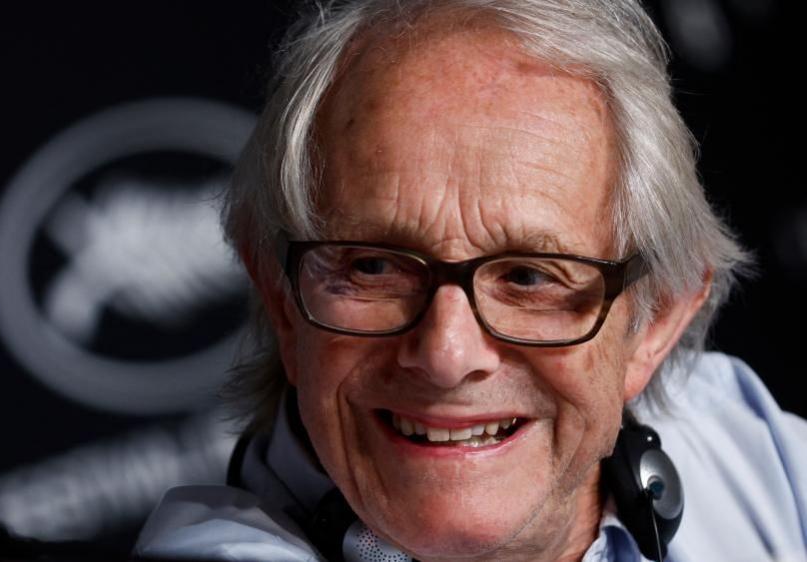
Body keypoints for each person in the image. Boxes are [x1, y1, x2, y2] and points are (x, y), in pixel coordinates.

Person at [133, 1, 807, 560]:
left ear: (654, 322)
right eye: (373, 266)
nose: (447, 355)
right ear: (280, 299)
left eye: (527, 277)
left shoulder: (747, 442)